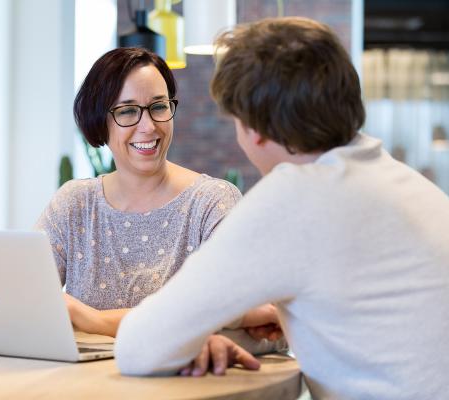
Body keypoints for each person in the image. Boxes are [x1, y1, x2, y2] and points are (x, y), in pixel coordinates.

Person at [115, 17, 449, 400]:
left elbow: (138, 347)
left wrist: (232, 317)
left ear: (254, 127)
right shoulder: (407, 184)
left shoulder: (294, 197)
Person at [35, 47, 283, 343]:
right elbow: (27, 300)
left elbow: (224, 309)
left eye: (158, 107)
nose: (148, 126)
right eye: (127, 111)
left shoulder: (212, 203)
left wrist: (91, 319)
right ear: (99, 121)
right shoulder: (73, 204)